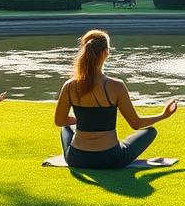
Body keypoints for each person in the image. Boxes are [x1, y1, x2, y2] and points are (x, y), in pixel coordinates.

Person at [54, 29, 178, 169]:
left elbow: (60, 121)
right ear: (105, 53)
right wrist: (163, 115)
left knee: (66, 128)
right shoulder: (116, 86)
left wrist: (82, 120)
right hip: (110, 158)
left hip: (77, 159)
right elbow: (136, 123)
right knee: (150, 132)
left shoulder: (69, 85)